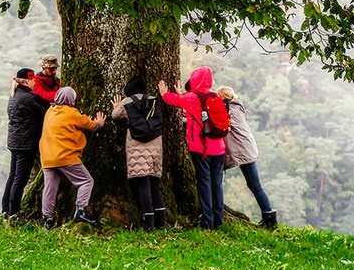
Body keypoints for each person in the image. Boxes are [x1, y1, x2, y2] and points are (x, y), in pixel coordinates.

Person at [158, 66, 226, 230]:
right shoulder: (215, 96)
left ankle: (207, 222)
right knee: (217, 184)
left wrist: (164, 93)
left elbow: (172, 100)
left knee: (204, 182)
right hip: (219, 148)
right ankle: (219, 219)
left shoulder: (192, 97)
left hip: (201, 148)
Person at [39, 86, 105, 228]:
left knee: (50, 188)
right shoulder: (73, 113)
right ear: (71, 100)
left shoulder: (49, 112)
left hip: (47, 157)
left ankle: (48, 218)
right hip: (65, 156)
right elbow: (91, 126)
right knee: (86, 181)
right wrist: (99, 123)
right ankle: (80, 210)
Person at [217, 86, 277, 229]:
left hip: (244, 152)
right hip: (247, 150)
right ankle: (268, 217)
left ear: (224, 98)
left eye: (218, 97)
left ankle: (270, 219)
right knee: (254, 185)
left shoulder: (231, 111)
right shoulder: (236, 108)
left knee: (255, 185)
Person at [111, 75, 166, 231]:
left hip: (136, 146)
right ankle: (161, 221)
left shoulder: (127, 102)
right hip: (155, 145)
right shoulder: (154, 100)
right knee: (154, 183)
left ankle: (148, 222)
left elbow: (115, 116)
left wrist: (116, 106)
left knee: (142, 184)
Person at [1, 68, 50, 220]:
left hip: (15, 142)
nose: (35, 82)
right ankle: (14, 212)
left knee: (13, 175)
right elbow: (48, 109)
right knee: (20, 178)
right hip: (26, 143)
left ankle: (6, 209)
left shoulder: (14, 96)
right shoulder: (29, 97)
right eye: (33, 79)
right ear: (27, 81)